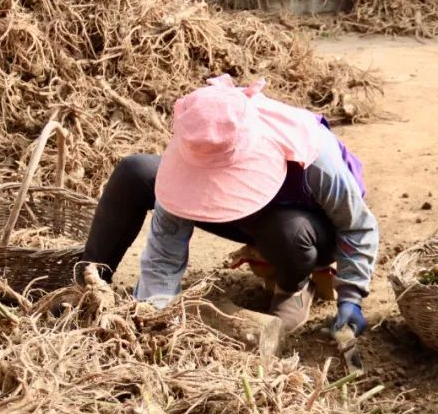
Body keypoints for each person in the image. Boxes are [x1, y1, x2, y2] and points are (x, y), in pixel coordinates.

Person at [79, 76, 378, 336]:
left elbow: (356, 226)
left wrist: (350, 297)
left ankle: (294, 286)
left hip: (307, 230)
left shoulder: (313, 156)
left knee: (288, 231)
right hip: (246, 216)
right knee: (136, 171)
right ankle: (89, 283)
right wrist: (156, 310)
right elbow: (165, 248)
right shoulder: (199, 141)